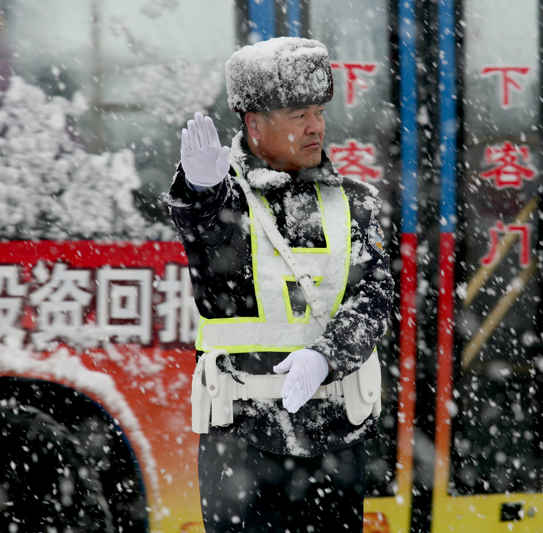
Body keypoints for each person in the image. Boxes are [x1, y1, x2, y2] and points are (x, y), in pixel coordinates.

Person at [160, 37, 394, 533]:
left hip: (336, 438)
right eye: (298, 114)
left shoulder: (355, 201)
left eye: (318, 111)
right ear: (255, 125)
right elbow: (207, 234)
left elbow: (375, 295)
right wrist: (201, 190)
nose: (316, 126)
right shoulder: (228, 202)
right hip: (241, 440)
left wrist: (326, 355)